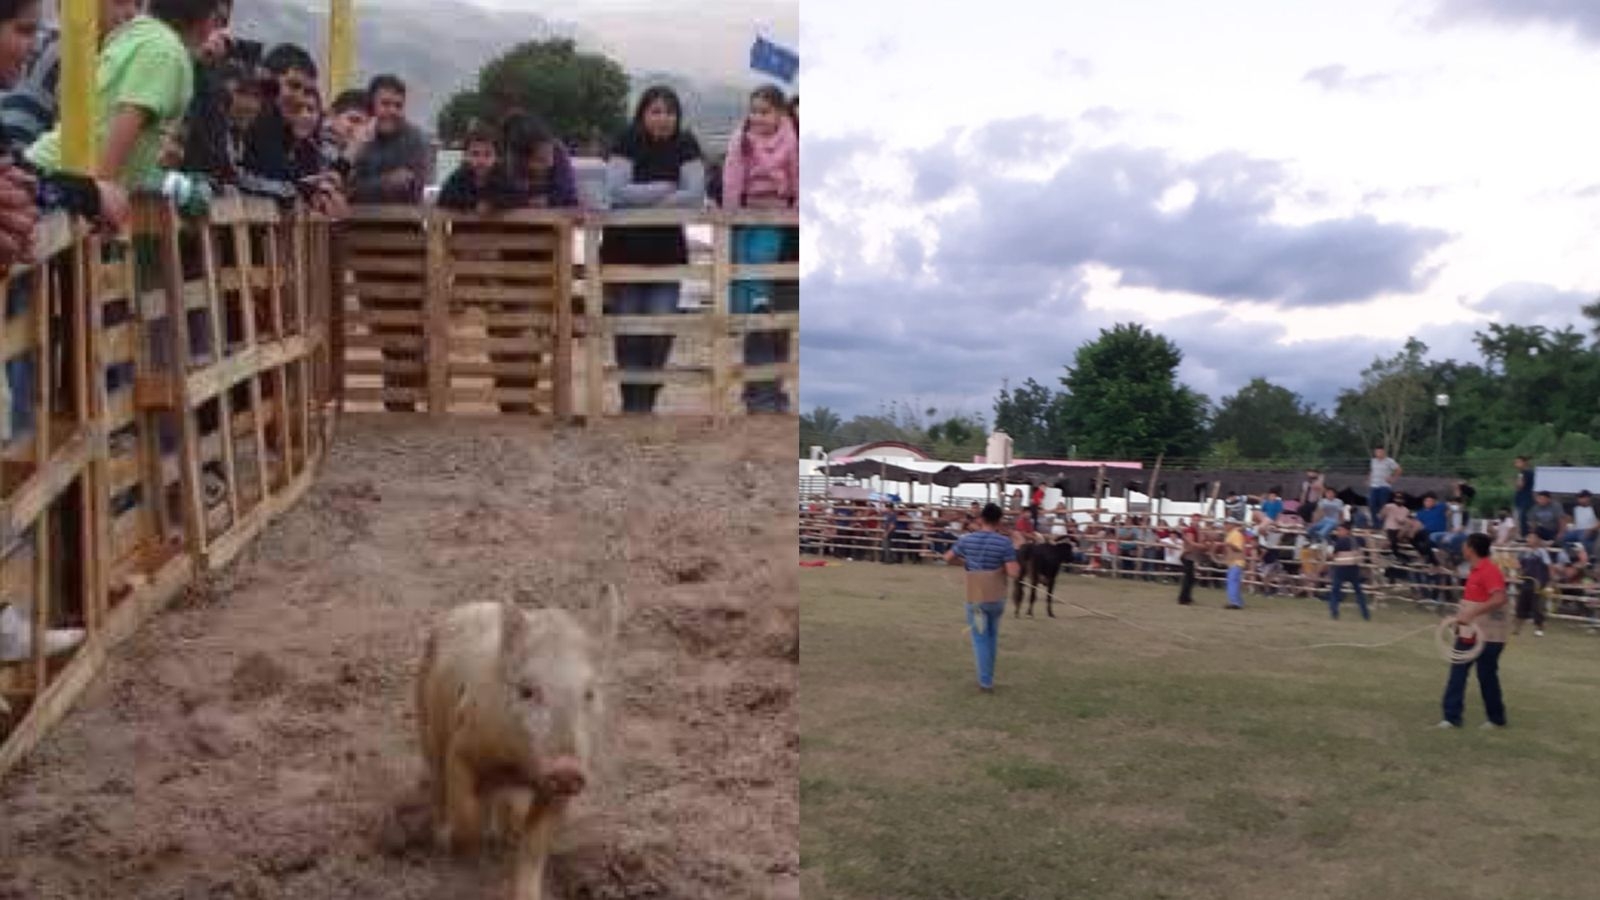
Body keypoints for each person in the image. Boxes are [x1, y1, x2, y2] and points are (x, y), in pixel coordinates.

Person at [27, 0, 217, 205]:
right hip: (61, 184)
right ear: (208, 21)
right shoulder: (167, 53)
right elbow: (128, 117)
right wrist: (97, 200)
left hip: (58, 175)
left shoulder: (137, 34)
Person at [602, 84, 705, 413]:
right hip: (624, 250)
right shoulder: (626, 140)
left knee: (662, 325)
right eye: (656, 111)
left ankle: (648, 395)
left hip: (667, 252)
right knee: (629, 327)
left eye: (669, 112)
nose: (663, 118)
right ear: (642, 113)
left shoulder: (685, 144)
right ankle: (631, 402)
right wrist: (663, 189)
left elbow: (695, 194)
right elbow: (615, 192)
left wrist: (644, 198)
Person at [721, 84, 797, 413]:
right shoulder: (743, 140)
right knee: (757, 312)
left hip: (786, 226)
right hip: (754, 214)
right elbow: (732, 175)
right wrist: (731, 211)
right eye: (755, 110)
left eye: (766, 111)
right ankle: (757, 396)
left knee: (782, 322)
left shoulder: (793, 142)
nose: (759, 117)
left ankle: (772, 393)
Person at [0, 0, 139, 150]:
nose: (133, 13)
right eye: (120, 1)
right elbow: (18, 137)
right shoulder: (60, 55)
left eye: (138, 3)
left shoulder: (129, 60)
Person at [944, 503, 1020, 693]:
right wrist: (1016, 549)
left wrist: (965, 562)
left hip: (976, 593)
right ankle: (989, 675)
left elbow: (948, 558)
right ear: (999, 521)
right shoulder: (1004, 543)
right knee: (992, 635)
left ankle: (986, 681)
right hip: (996, 595)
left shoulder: (967, 539)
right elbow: (1013, 572)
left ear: (981, 519)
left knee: (980, 637)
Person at [1439, 533, 1509, 730]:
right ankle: (1451, 716)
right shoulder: (1474, 570)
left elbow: (1499, 599)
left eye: (1464, 544)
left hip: (1488, 634)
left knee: (1486, 675)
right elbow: (1473, 601)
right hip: (1469, 632)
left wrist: (1471, 614)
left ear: (1471, 548)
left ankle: (1496, 718)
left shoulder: (1489, 571)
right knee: (1458, 672)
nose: (1462, 548)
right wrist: (1460, 619)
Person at [350, 73, 429, 204]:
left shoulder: (415, 138)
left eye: (398, 106)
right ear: (371, 106)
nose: (392, 111)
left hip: (402, 221)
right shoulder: (357, 133)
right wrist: (386, 182)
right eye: (385, 104)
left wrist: (370, 186)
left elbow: (415, 190)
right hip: (356, 220)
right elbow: (348, 191)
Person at [436, 123, 517, 213]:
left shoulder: (504, 178)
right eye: (475, 154)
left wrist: (492, 204)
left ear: (496, 157)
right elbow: (445, 200)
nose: (481, 161)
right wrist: (474, 204)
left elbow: (516, 198)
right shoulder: (457, 179)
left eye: (487, 154)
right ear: (466, 156)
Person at [1326, 522, 1370, 621]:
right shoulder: (1357, 540)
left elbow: (1333, 555)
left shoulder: (1340, 541)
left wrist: (1328, 555)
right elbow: (1365, 541)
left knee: (1335, 591)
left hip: (1341, 569)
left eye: (1340, 530)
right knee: (1359, 592)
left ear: (1346, 530)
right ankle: (1365, 614)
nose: (1338, 532)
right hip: (1354, 569)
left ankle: (1334, 612)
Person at [1513, 533, 1551, 637]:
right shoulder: (1525, 553)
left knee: (1537, 606)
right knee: (1521, 605)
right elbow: (1520, 566)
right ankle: (1517, 629)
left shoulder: (1542, 552)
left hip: (1538, 583)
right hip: (1527, 581)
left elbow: (1548, 566)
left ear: (1537, 540)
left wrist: (1549, 581)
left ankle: (1539, 628)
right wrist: (1519, 570)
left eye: (1531, 537)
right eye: (1528, 537)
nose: (1529, 539)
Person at [1560, 490, 1598, 560]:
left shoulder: (1594, 508)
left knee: (1583, 537)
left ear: (1587, 498)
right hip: (1577, 530)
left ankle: (1590, 556)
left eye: (1582, 498)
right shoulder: (1575, 508)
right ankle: (1572, 555)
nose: (1580, 500)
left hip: (1591, 530)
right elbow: (1568, 518)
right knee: (1562, 538)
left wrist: (1592, 529)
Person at [1368, 447, 1401, 527]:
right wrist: (1369, 479)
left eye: (1380, 452)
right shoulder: (1373, 461)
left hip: (1384, 486)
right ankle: (1375, 523)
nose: (1378, 453)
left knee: (1382, 505)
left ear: (1384, 452)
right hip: (1374, 485)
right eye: (1377, 452)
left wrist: (1393, 478)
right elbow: (1372, 471)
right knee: (1372, 504)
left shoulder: (1389, 461)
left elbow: (1399, 470)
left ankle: (1383, 523)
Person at [1223, 519, 1246, 609]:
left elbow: (1239, 548)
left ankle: (1234, 602)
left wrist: (1230, 545)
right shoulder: (1231, 534)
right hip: (1233, 561)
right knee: (1234, 582)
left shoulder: (1236, 535)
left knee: (1232, 582)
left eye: (1227, 523)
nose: (1225, 525)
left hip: (1236, 561)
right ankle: (1238, 601)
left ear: (1232, 524)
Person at [1513, 456, 1534, 538]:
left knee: (1523, 519)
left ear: (1524, 462)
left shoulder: (1524, 473)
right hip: (1521, 499)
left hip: (1524, 500)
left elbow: (1520, 485)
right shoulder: (1526, 473)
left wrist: (1517, 482)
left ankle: (1524, 536)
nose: (1516, 464)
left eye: (1518, 462)